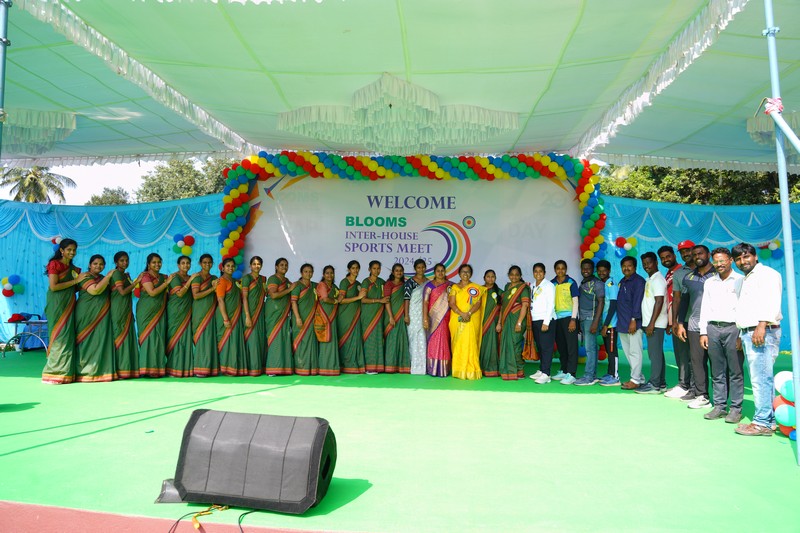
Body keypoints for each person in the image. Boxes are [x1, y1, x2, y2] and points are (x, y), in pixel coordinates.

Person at [732, 243, 783, 436]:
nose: (742, 261)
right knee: (761, 377)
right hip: (749, 332)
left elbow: (771, 301)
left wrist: (761, 326)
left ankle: (761, 423)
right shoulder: (743, 280)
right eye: (738, 259)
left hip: (762, 331)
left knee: (760, 379)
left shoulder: (767, 274)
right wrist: (741, 333)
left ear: (755, 256)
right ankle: (768, 421)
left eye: (746, 256)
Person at [698, 247, 744, 423]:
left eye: (722, 260)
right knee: (717, 371)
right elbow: (705, 307)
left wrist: (741, 334)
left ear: (730, 260)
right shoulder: (710, 282)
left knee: (735, 371)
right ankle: (719, 406)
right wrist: (703, 332)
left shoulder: (740, 280)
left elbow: (744, 307)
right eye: (716, 261)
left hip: (734, 329)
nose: (719, 264)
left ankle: (736, 409)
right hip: (713, 329)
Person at [43, 238, 90, 384]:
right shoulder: (54, 264)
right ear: (61, 250)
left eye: (74, 250)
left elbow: (74, 288)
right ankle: (53, 373)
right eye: (69, 249)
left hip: (69, 303)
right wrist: (77, 281)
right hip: (57, 304)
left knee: (68, 336)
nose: (72, 252)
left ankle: (66, 373)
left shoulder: (74, 269)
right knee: (59, 335)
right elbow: (54, 287)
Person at [675, 244, 715, 409]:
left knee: (717, 365)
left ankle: (720, 400)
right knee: (697, 362)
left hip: (714, 327)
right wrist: (680, 323)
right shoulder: (689, 277)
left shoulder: (718, 274)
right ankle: (701, 395)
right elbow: (684, 301)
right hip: (693, 326)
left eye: (700, 253)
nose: (697, 256)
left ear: (708, 254)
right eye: (695, 254)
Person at [74, 254, 117, 382]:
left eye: (101, 264)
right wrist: (109, 276)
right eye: (95, 263)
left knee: (100, 340)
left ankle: (101, 371)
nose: (98, 266)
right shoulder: (85, 277)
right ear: (89, 265)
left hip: (102, 313)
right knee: (85, 341)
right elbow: (95, 290)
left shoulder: (103, 278)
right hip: (86, 313)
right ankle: (84, 371)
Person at [659, 244, 693, 399]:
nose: (666, 260)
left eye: (668, 256)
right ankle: (683, 384)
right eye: (663, 258)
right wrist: (671, 321)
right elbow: (672, 299)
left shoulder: (683, 271)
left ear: (673, 256)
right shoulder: (674, 273)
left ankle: (688, 386)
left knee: (688, 355)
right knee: (681, 354)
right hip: (677, 319)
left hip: (689, 319)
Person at [635, 252, 668, 394]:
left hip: (655, 324)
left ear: (656, 263)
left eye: (649, 263)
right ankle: (661, 383)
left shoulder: (658, 280)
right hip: (651, 323)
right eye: (644, 264)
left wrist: (651, 323)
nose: (646, 266)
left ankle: (654, 385)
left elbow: (659, 302)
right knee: (657, 354)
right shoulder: (650, 279)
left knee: (654, 355)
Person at [138, 253, 174, 378]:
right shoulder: (145, 276)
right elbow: (152, 292)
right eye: (154, 262)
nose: (157, 264)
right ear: (148, 264)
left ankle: (158, 368)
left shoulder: (164, 277)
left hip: (160, 311)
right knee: (148, 338)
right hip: (146, 311)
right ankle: (146, 369)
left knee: (159, 338)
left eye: (159, 262)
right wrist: (166, 283)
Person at [448, 264, 485, 380]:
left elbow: (478, 303)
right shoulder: (454, 287)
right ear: (459, 274)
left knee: (471, 343)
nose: (465, 274)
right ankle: (459, 370)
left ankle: (471, 370)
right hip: (457, 319)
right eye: (463, 272)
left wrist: (468, 313)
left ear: (471, 274)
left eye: (468, 272)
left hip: (471, 318)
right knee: (458, 344)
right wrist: (461, 313)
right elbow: (451, 303)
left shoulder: (476, 288)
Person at [109, 251, 141, 379]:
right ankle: (119, 368)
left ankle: (128, 368)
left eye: (127, 260)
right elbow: (122, 292)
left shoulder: (125, 275)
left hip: (126, 307)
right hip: (118, 308)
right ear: (116, 262)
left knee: (127, 335)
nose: (125, 263)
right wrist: (136, 282)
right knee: (119, 335)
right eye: (122, 260)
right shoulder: (116, 273)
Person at [496, 265, 531, 381]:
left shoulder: (523, 288)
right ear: (508, 275)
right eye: (512, 275)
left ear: (520, 276)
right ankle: (508, 369)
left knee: (515, 345)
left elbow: (525, 305)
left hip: (517, 319)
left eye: (517, 275)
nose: (514, 277)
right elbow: (503, 306)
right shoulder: (507, 287)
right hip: (506, 320)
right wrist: (499, 322)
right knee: (506, 344)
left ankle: (520, 370)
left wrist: (519, 323)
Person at [574, 259, 605, 386]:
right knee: (592, 348)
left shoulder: (597, 283)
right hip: (584, 319)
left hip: (591, 319)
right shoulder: (583, 282)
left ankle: (588, 377)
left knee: (590, 349)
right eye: (583, 268)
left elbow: (601, 302)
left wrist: (595, 322)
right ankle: (593, 375)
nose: (585, 270)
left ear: (593, 270)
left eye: (588, 268)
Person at [166, 255, 197, 378]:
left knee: (185, 338)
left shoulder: (190, 277)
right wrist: (191, 280)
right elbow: (179, 293)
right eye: (183, 263)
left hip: (187, 310)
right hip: (175, 311)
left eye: (188, 263)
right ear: (178, 265)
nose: (186, 265)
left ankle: (185, 369)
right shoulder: (174, 277)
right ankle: (173, 368)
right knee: (175, 336)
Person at [617, 256, 646, 390]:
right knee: (629, 353)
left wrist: (634, 320)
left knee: (635, 352)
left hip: (633, 323)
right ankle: (639, 377)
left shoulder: (639, 281)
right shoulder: (622, 281)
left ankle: (635, 380)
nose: (626, 268)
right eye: (624, 266)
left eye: (629, 266)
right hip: (622, 323)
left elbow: (638, 302)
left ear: (635, 267)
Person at [265, 257, 296, 376]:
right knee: (274, 338)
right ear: (276, 267)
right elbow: (273, 295)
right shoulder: (273, 279)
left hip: (284, 314)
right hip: (274, 313)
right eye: (282, 265)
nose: (284, 267)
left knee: (284, 338)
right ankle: (273, 368)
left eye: (286, 265)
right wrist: (289, 289)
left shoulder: (286, 280)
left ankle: (284, 368)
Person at [216, 257, 246, 376]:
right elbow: (220, 300)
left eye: (232, 266)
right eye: (228, 266)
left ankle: (234, 367)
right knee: (225, 341)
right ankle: (225, 368)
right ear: (223, 268)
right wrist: (225, 318)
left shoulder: (235, 281)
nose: (230, 268)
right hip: (225, 316)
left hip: (235, 315)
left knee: (234, 341)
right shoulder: (221, 281)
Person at [551, 260, 579, 384]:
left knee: (571, 346)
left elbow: (575, 302)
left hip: (569, 318)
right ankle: (564, 369)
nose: (560, 270)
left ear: (566, 269)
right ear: (555, 270)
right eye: (558, 268)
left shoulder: (571, 282)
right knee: (561, 346)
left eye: (563, 268)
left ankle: (571, 373)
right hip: (556, 319)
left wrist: (573, 319)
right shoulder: (552, 284)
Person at [191, 254, 219, 377]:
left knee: (210, 338)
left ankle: (210, 368)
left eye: (209, 262)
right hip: (200, 311)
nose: (207, 264)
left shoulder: (214, 278)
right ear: (200, 263)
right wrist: (212, 289)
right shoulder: (196, 278)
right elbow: (196, 295)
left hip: (211, 310)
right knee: (201, 337)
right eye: (204, 262)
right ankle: (200, 368)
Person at [423, 263, 452, 377]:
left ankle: (444, 368)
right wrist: (425, 318)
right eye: (438, 271)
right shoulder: (429, 285)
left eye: (442, 270)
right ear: (434, 273)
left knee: (444, 340)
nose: (440, 273)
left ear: (445, 272)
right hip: (432, 318)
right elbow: (425, 302)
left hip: (445, 317)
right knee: (433, 341)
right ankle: (432, 368)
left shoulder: (450, 285)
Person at [290, 263, 319, 376]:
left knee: (311, 342)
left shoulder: (315, 286)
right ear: (301, 273)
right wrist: (297, 318)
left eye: (310, 271)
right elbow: (293, 302)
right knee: (300, 342)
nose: (308, 274)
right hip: (300, 319)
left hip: (312, 319)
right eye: (306, 271)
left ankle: (311, 368)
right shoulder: (297, 286)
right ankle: (300, 367)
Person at [337, 260, 366, 374]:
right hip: (345, 315)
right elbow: (341, 300)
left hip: (356, 315)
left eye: (357, 268)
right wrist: (357, 298)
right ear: (349, 269)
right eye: (353, 268)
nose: (355, 270)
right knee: (346, 339)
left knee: (355, 339)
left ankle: (355, 365)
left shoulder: (358, 284)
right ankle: (345, 365)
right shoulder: (344, 282)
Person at [530, 263, 556, 384]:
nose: (538, 273)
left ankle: (546, 374)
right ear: (533, 273)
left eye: (540, 271)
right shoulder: (532, 285)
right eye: (536, 271)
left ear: (544, 273)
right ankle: (541, 370)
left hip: (546, 320)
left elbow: (551, 304)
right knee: (540, 346)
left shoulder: (549, 285)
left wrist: (546, 322)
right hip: (535, 319)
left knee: (546, 347)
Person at [241, 256, 267, 376]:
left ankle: (259, 367)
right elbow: (244, 298)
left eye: (259, 264)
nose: (257, 266)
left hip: (260, 312)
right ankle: (251, 367)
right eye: (254, 264)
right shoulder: (246, 278)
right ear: (250, 266)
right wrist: (247, 315)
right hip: (250, 313)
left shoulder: (263, 279)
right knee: (252, 340)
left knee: (260, 339)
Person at [596, 260, 620, 386]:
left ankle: (615, 377)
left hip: (611, 324)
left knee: (612, 351)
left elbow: (613, 305)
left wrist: (606, 324)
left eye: (604, 271)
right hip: (606, 323)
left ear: (609, 271)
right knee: (608, 350)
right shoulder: (605, 283)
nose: (601, 273)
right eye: (599, 271)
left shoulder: (611, 284)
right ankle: (610, 373)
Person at [361, 260, 387, 374]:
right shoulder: (366, 282)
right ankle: (369, 367)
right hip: (368, 315)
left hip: (379, 315)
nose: (376, 271)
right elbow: (363, 299)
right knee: (369, 340)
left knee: (377, 339)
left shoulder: (382, 282)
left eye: (378, 268)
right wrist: (378, 300)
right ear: (369, 269)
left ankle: (378, 366)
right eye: (374, 268)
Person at [315, 265, 342, 376]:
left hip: (333, 316)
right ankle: (324, 367)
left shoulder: (334, 287)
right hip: (324, 316)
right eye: (327, 273)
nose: (329, 275)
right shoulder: (322, 285)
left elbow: (341, 297)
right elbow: (325, 299)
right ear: (323, 274)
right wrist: (336, 301)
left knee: (332, 340)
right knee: (325, 341)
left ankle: (333, 367)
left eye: (331, 273)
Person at [384, 263, 411, 373]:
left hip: (401, 316)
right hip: (391, 316)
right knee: (392, 340)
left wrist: (406, 315)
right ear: (393, 272)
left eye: (401, 270)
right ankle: (390, 366)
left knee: (401, 340)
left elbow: (406, 300)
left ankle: (402, 366)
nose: (399, 272)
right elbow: (387, 301)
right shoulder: (388, 284)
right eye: (397, 270)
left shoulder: (404, 285)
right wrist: (391, 317)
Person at [404, 259, 428, 375]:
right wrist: (406, 315)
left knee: (423, 336)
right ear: (415, 268)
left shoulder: (428, 282)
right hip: (413, 312)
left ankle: (423, 366)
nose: (421, 269)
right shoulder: (410, 282)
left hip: (424, 313)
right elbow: (406, 299)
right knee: (413, 337)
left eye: (423, 267)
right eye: (418, 267)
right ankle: (414, 365)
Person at [479, 269, 502, 378]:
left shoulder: (499, 292)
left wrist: (499, 323)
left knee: (491, 345)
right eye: (488, 276)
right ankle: (480, 367)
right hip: (480, 323)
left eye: (492, 276)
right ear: (484, 278)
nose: (490, 278)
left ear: (495, 278)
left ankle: (491, 369)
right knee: (481, 345)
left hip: (493, 323)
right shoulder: (479, 290)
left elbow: (502, 309)